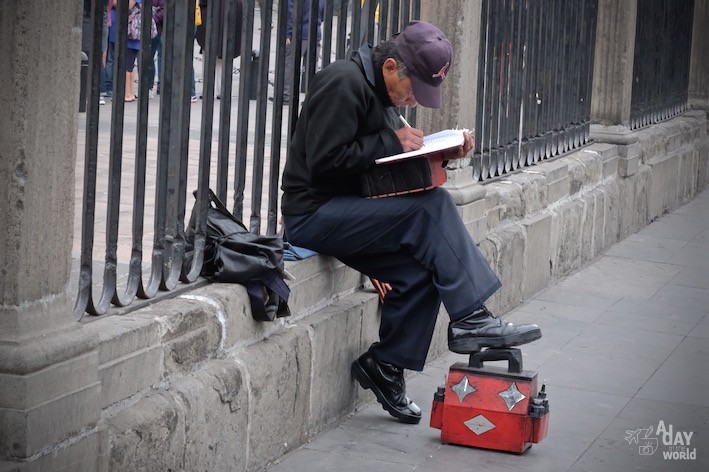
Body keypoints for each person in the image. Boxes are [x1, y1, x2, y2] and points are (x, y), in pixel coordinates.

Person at [280, 20, 542, 424]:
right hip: (314, 214)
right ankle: (472, 317)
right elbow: (324, 164)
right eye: (413, 89)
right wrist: (391, 141)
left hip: (349, 207)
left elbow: (377, 168)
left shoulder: (378, 89)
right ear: (390, 67)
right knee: (430, 205)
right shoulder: (342, 83)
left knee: (421, 274)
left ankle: (384, 366)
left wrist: (442, 153)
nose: (412, 100)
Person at [278, 0, 324, 103]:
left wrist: (289, 33)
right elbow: (323, 12)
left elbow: (291, 13)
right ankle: (311, 96)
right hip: (315, 32)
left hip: (299, 33)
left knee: (290, 64)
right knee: (311, 67)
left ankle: (287, 95)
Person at [195, 0, 243, 99]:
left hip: (212, 23)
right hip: (229, 22)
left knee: (209, 59)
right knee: (223, 58)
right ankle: (223, 90)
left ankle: (209, 90)